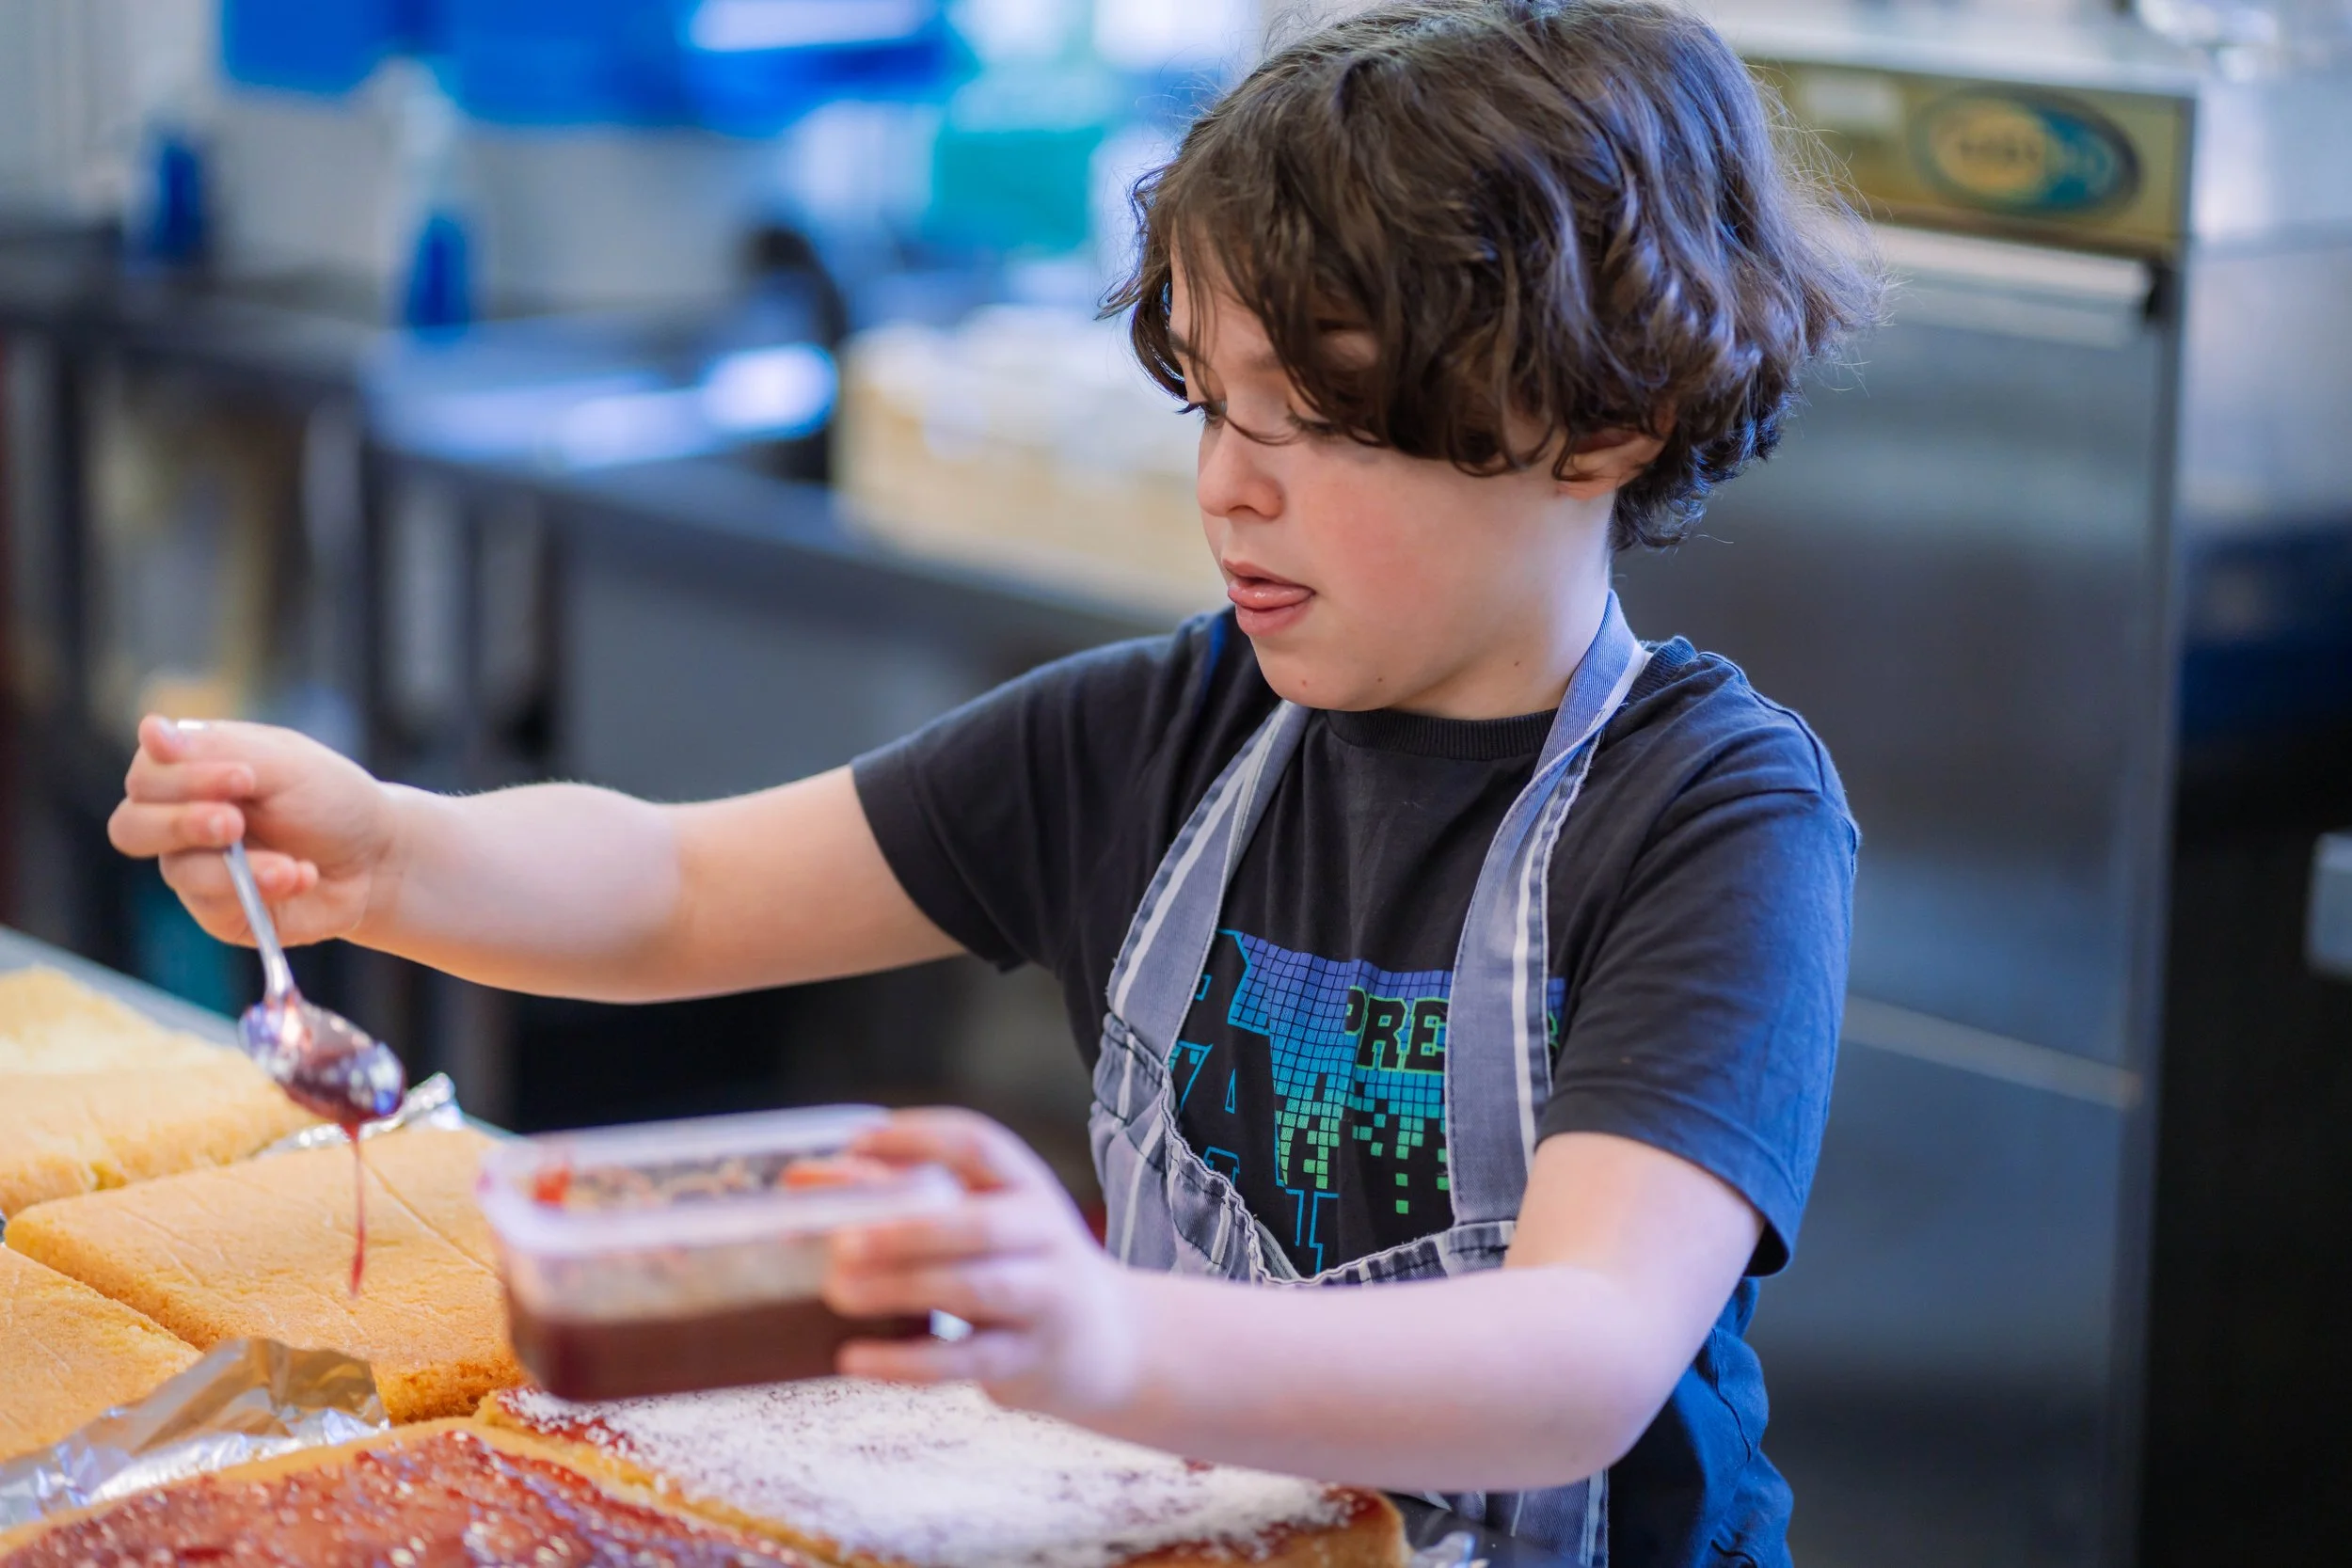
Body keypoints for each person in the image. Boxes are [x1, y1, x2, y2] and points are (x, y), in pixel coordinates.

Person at [108, 2, 1880, 1561]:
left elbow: (1574, 1357)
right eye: (1208, 402)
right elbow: (680, 887)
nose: (1228, 490)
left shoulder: (1713, 821)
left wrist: (1098, 1338)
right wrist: (394, 852)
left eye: (1316, 419)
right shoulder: (1163, 739)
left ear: (1597, 427)